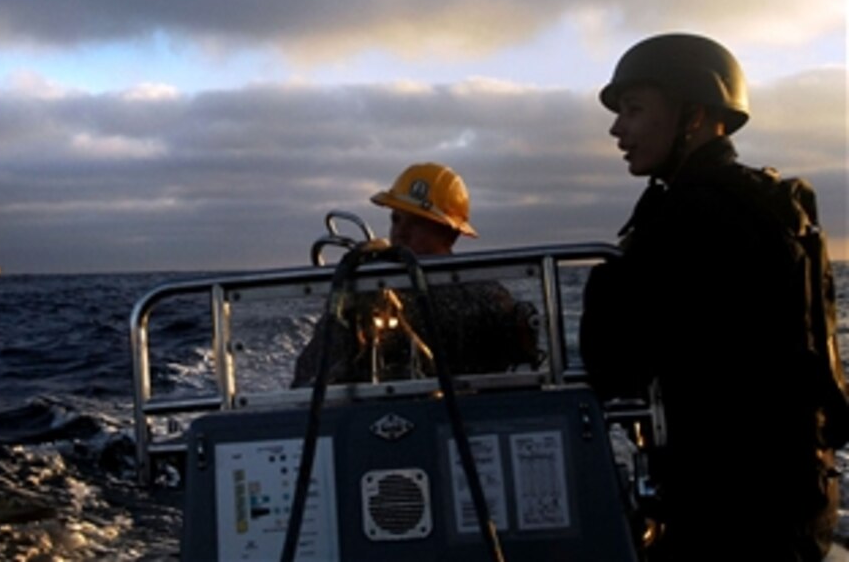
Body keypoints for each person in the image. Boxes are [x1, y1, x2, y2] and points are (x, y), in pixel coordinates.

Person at [579, 33, 842, 561]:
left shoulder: (693, 220)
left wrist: (610, 279)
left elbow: (615, 364)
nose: (616, 128)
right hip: (790, 494)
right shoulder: (760, 205)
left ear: (693, 116)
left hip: (737, 513)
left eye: (633, 110)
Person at [292, 162, 541, 387]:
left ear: (449, 232)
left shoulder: (487, 298)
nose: (401, 233)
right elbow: (310, 377)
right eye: (397, 220)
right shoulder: (367, 293)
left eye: (417, 223)